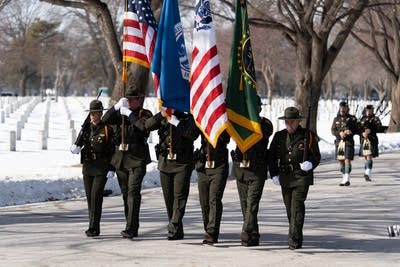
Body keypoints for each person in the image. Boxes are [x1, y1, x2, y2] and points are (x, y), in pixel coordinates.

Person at [102, 88, 153, 239]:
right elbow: (104, 121)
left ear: (139, 99)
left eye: (133, 99)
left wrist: (129, 114)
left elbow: (143, 127)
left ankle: (132, 227)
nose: (130, 102)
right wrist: (116, 108)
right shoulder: (120, 112)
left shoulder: (145, 114)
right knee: (126, 194)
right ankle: (129, 223)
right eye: (128, 99)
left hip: (137, 159)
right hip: (120, 159)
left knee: (133, 192)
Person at [269, 106, 321, 250]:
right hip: (285, 177)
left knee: (297, 207)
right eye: (287, 122)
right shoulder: (279, 136)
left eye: (292, 121)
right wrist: (273, 174)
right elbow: (271, 157)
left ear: (299, 121)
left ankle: (294, 239)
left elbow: (316, 155)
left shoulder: (307, 136)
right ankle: (296, 232)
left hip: (301, 177)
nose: (289, 124)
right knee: (289, 209)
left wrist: (310, 163)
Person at [145, 109, 198, 240]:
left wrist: (177, 123)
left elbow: (192, 134)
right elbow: (147, 125)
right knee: (169, 198)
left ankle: (174, 223)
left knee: (179, 196)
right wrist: (161, 115)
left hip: (182, 162)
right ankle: (176, 230)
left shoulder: (188, 116)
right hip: (165, 162)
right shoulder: (164, 116)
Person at [230, 97, 273, 247]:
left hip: (257, 170)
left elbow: (263, 133)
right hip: (241, 169)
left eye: (257, 106)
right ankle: (253, 235)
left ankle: (246, 231)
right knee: (244, 204)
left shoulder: (265, 124)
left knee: (252, 203)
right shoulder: (240, 122)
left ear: (260, 108)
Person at [70, 99, 115, 237]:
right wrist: (75, 147)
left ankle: (93, 227)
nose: (93, 116)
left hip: (101, 167)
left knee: (96, 197)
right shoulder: (86, 129)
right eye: (91, 113)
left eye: (95, 113)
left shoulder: (107, 129)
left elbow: (112, 150)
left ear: (101, 113)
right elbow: (78, 144)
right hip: (88, 166)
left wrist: (112, 167)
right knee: (90, 198)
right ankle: (93, 225)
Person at [194, 130, 230, 245]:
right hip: (203, 165)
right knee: (204, 201)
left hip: (219, 164)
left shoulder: (223, 117)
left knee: (214, 198)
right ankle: (208, 228)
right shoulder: (200, 117)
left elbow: (225, 138)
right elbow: (190, 134)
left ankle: (211, 232)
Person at [331, 101, 358, 186]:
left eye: (344, 107)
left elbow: (358, 129)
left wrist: (351, 131)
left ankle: (347, 178)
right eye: (341, 107)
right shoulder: (336, 119)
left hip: (348, 142)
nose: (342, 109)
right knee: (341, 161)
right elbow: (333, 130)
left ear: (347, 108)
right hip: (339, 143)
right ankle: (344, 177)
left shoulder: (352, 118)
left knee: (347, 159)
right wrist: (339, 133)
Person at [358, 105, 383, 181]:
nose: (368, 112)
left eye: (370, 110)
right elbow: (357, 128)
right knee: (366, 157)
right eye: (367, 110)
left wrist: (371, 130)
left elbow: (379, 127)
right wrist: (362, 133)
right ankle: (367, 172)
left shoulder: (375, 119)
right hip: (364, 140)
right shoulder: (362, 119)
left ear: (372, 111)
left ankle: (367, 173)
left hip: (372, 140)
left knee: (369, 156)